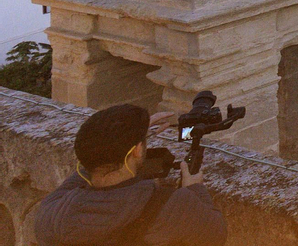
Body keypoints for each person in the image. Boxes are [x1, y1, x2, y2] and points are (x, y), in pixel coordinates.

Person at [35, 103, 225, 246]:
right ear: (136, 150)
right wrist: (195, 188)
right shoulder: (171, 206)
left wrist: (129, 139)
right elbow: (216, 234)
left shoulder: (50, 214)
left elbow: (91, 165)